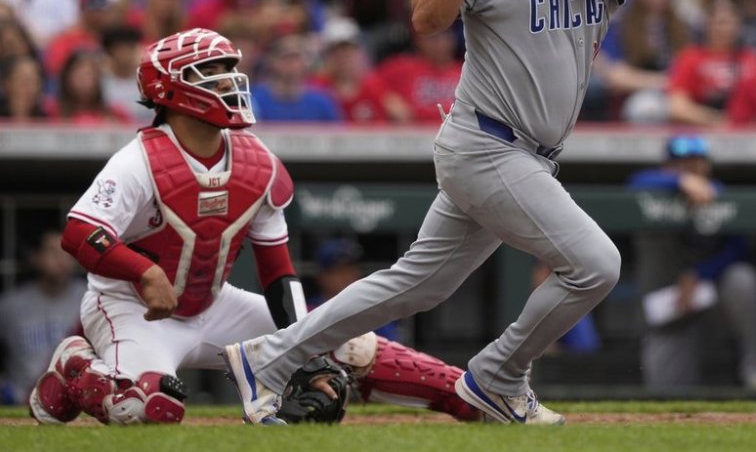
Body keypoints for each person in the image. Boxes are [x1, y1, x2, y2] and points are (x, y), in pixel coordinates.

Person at [223, 0, 633, 426]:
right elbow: (425, 18)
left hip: (527, 155)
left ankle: (270, 356)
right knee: (597, 264)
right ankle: (497, 377)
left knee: (414, 285)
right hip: (487, 145)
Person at [28, 28, 480, 425]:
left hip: (213, 302)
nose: (229, 82)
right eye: (213, 72)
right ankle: (76, 369)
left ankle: (468, 396)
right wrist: (144, 273)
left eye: (229, 70)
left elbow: (277, 271)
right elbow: (80, 232)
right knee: (145, 407)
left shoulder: (255, 161)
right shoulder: (138, 160)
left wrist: (301, 346)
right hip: (133, 309)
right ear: (172, 89)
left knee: (344, 341)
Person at [629, 136, 756, 393]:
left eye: (696, 163)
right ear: (668, 166)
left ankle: (753, 365)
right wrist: (679, 181)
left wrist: (699, 274)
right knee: (664, 396)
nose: (690, 168)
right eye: (681, 164)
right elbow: (637, 182)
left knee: (742, 278)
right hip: (670, 311)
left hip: (713, 302)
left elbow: (739, 248)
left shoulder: (718, 194)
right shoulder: (652, 189)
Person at [0, 230, 86, 404]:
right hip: (22, 399)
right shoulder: (11, 304)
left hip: (77, 398)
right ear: (36, 258)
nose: (61, 259)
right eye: (53, 252)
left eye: (67, 253)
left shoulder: (88, 298)